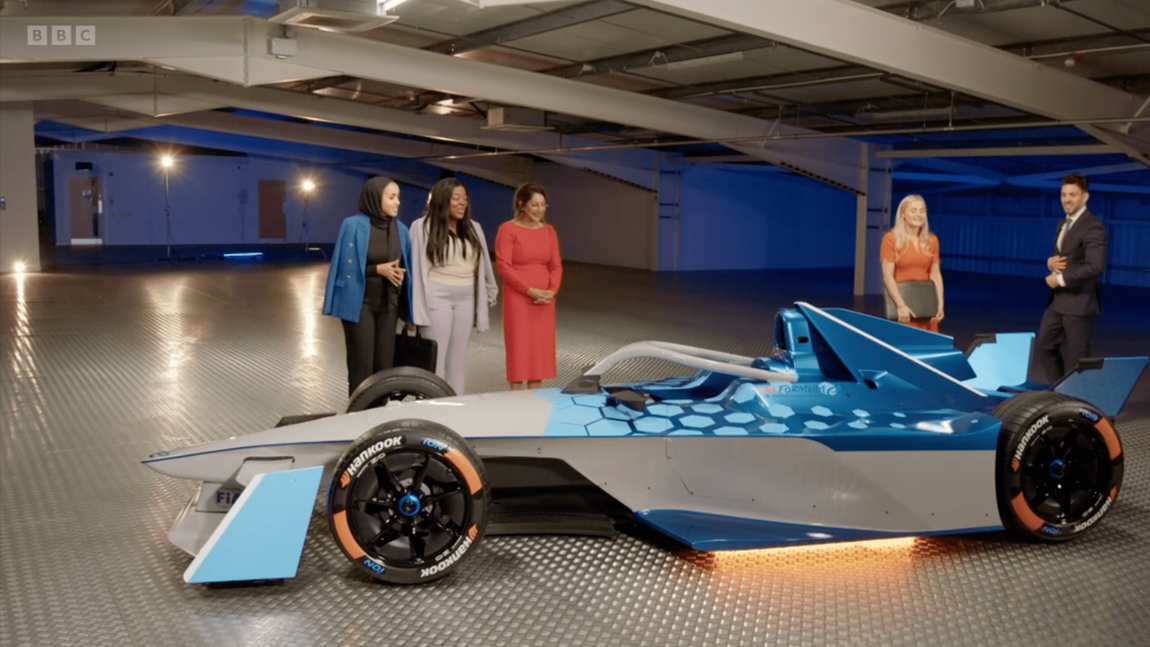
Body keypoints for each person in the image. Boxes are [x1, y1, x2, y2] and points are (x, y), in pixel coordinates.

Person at [322, 176, 412, 395]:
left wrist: (401, 278)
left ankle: (379, 416)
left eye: (398, 197)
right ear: (374, 198)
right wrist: (377, 270)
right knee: (361, 366)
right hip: (359, 303)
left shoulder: (401, 230)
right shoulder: (352, 225)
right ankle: (358, 415)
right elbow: (344, 267)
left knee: (384, 367)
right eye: (391, 197)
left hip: (388, 303)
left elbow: (408, 266)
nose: (397, 202)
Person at [409, 178, 498, 395]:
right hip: (435, 297)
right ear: (441, 201)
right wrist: (411, 312)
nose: (462, 204)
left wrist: (488, 293)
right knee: (435, 358)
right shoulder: (421, 228)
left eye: (465, 199)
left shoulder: (473, 228)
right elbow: (412, 270)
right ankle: (432, 404)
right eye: (456, 199)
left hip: (466, 297)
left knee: (458, 360)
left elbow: (484, 265)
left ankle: (456, 405)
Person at [1037, 173, 1106, 382]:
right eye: (1064, 194)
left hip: (1079, 303)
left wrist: (1060, 279)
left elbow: (1095, 265)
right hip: (1058, 302)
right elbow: (1061, 254)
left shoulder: (1092, 226)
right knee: (1045, 345)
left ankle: (1083, 405)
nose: (1067, 199)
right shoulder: (1063, 224)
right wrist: (1050, 262)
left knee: (1079, 359)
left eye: (1073, 195)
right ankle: (1059, 393)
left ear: (1084, 197)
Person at [496, 182, 563, 390]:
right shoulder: (508, 230)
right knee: (519, 350)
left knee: (538, 353)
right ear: (522, 204)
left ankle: (535, 399)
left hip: (544, 301)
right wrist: (529, 290)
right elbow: (504, 267)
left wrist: (551, 291)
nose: (539, 210)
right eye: (535, 205)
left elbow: (555, 265)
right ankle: (516, 400)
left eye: (543, 205)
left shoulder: (549, 231)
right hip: (519, 299)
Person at [880, 194, 945, 332]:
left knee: (929, 347)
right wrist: (901, 305)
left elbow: (935, 274)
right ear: (903, 214)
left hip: (926, 304)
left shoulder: (932, 240)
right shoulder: (891, 238)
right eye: (913, 210)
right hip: (903, 303)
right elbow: (887, 276)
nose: (918, 215)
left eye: (922, 211)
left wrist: (939, 304)